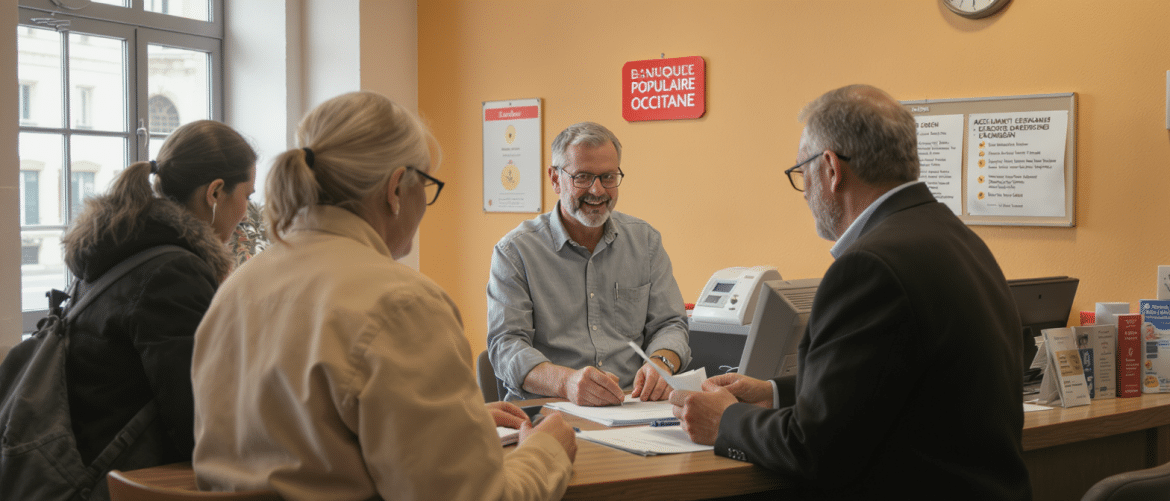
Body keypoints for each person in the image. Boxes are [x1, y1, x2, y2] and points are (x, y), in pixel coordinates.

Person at [191, 91, 576, 501]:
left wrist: (455, 424)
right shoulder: (403, 304)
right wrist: (546, 452)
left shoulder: (236, 289)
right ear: (396, 189)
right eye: (425, 185)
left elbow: (309, 447)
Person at [669, 85, 1032, 499]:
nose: (805, 192)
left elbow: (818, 451)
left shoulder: (869, 266)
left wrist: (727, 422)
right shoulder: (955, 239)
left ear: (830, 168)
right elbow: (884, 387)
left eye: (800, 173)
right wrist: (772, 394)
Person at [61, 120, 254, 474]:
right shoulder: (174, 272)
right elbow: (197, 420)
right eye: (248, 195)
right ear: (214, 192)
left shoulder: (122, 248)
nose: (245, 213)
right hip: (130, 480)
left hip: (89, 466)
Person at [487, 121, 690, 406]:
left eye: (608, 176)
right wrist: (566, 382)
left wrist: (661, 363)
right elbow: (506, 347)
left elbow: (670, 324)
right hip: (549, 409)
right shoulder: (515, 252)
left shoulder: (645, 241)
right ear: (555, 179)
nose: (597, 190)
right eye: (582, 177)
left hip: (633, 407)